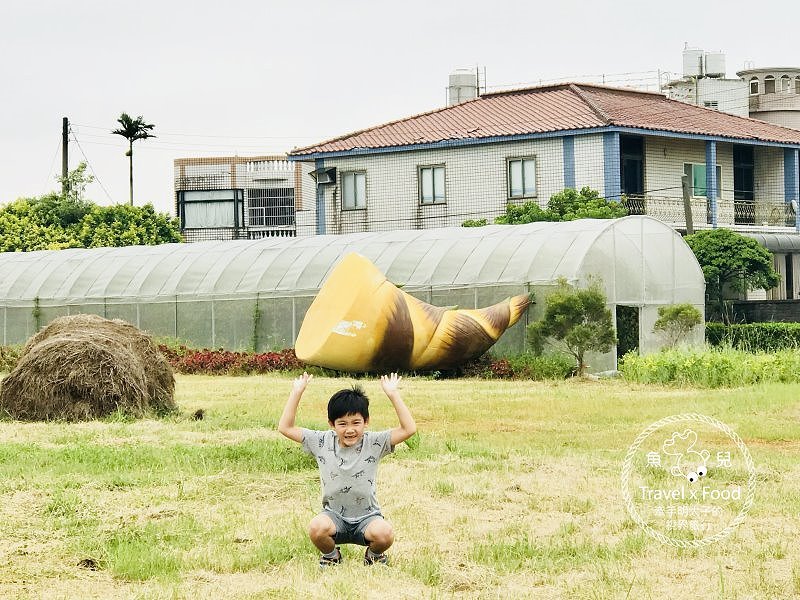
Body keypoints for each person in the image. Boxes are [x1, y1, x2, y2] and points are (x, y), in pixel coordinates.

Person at [278, 372, 416, 567]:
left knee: (385, 534)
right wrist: (297, 391)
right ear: (331, 424)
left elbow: (409, 429)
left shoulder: (374, 442)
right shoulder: (321, 441)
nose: (349, 429)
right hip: (333, 517)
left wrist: (393, 394)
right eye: (342, 424)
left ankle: (374, 556)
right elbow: (285, 427)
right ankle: (331, 555)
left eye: (356, 423)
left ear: (366, 422)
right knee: (316, 528)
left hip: (368, 518)